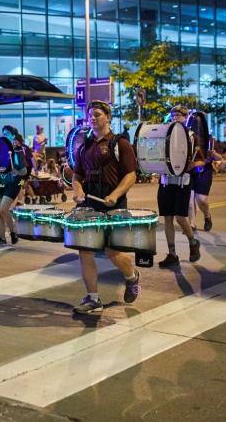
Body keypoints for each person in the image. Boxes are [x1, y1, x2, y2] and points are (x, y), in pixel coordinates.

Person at [70, 101, 140, 314]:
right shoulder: (84, 146)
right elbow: (77, 175)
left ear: (108, 117)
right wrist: (78, 190)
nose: (93, 118)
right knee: (85, 251)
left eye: (98, 114)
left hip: (113, 204)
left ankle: (132, 276)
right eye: (90, 115)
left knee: (113, 252)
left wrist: (115, 195)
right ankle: (93, 298)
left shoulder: (121, 144)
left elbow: (131, 175)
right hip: (90, 204)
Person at [158, 106, 204, 269]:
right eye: (173, 115)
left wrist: (192, 165)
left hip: (183, 181)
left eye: (179, 115)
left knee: (180, 217)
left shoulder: (192, 137)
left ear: (186, 118)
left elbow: (201, 160)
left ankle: (193, 241)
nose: (175, 118)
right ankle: (172, 254)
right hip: (166, 180)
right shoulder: (163, 135)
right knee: (167, 218)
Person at [0, 126, 31, 247]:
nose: (4, 135)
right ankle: (2, 238)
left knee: (4, 209)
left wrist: (17, 172)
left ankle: (13, 231)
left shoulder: (17, 151)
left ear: (13, 136)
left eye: (7, 133)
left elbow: (24, 171)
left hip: (13, 183)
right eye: (3, 133)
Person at [189, 140, 220, 233]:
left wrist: (213, 154)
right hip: (190, 172)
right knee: (190, 199)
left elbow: (219, 157)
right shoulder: (187, 136)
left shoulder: (209, 140)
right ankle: (192, 224)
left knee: (201, 199)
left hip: (204, 173)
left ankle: (207, 216)